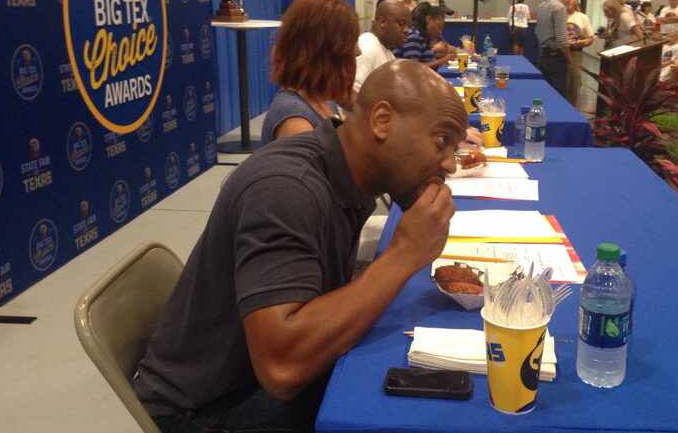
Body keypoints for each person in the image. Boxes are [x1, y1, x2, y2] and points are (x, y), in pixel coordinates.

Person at [133, 60, 467, 433]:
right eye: (442, 142)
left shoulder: (346, 174)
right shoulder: (286, 188)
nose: (451, 164)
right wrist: (405, 254)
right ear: (382, 121)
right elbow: (282, 368)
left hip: (246, 386)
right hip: (204, 411)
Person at [260, 0, 358, 145]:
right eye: (351, 44)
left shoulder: (322, 98)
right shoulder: (296, 121)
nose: (357, 51)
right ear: (328, 53)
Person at [353, 0, 411, 95]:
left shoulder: (386, 50)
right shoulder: (367, 47)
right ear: (382, 22)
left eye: (408, 25)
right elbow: (353, 96)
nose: (407, 30)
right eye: (401, 23)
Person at [535, 0, 572, 96]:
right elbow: (561, 39)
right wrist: (569, 58)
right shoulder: (560, 8)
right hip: (556, 59)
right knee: (558, 95)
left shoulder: (542, 5)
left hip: (542, 56)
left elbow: (537, 31)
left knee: (544, 94)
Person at [395, 0, 455, 70]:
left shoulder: (425, 36)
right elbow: (412, 69)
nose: (443, 21)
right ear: (429, 19)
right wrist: (442, 61)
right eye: (441, 17)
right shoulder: (414, 36)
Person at [565, 0, 594, 105]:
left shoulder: (582, 17)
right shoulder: (558, 15)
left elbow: (590, 38)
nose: (569, 0)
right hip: (558, 54)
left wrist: (581, 42)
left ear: (576, 1)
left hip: (575, 54)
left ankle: (572, 108)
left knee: (574, 81)